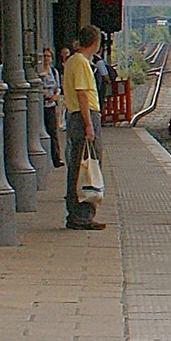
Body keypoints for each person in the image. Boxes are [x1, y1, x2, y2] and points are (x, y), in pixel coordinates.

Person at [63, 24, 106, 230]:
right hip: (84, 117)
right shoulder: (80, 62)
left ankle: (77, 213)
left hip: (77, 117)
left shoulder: (72, 60)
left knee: (78, 165)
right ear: (95, 43)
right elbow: (82, 94)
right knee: (87, 166)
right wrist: (89, 125)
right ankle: (82, 216)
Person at [40, 47, 64, 167]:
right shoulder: (38, 72)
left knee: (53, 131)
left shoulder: (54, 72)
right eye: (44, 56)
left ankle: (56, 158)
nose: (46, 59)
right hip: (39, 106)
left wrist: (55, 96)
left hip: (50, 104)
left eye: (48, 56)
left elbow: (58, 87)